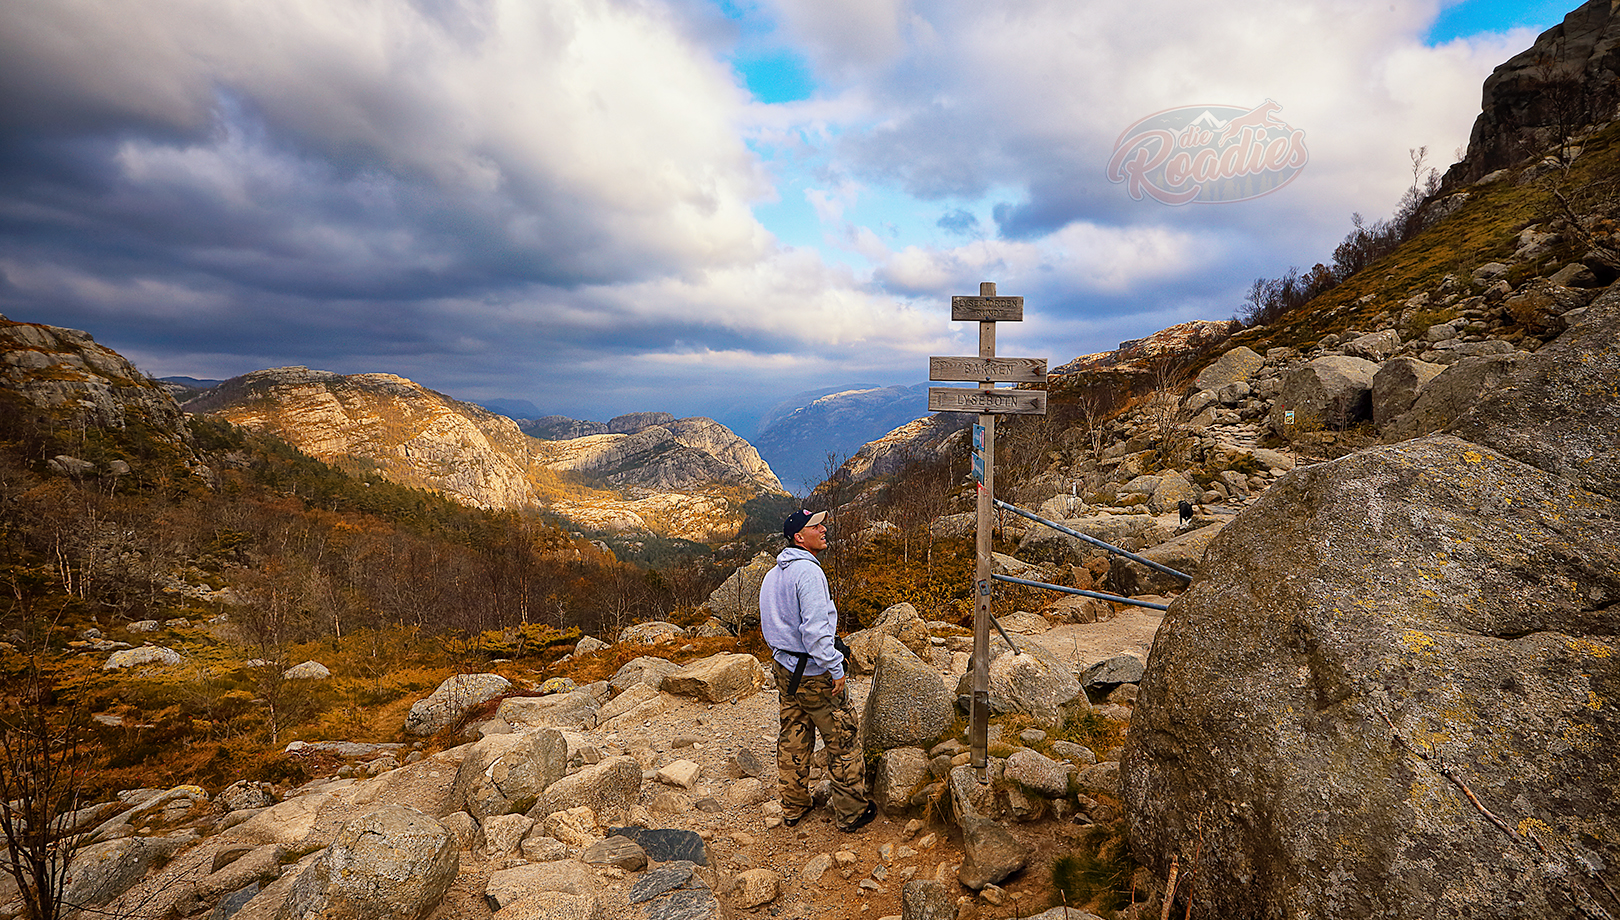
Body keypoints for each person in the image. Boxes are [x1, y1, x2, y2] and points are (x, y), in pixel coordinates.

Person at [758, 508, 877, 832]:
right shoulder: (808, 574)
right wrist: (834, 667)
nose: (823, 529)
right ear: (799, 537)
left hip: (785, 667)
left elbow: (770, 624)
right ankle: (852, 812)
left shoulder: (773, 575)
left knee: (794, 736)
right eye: (816, 526)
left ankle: (794, 806)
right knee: (843, 738)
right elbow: (815, 632)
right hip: (814, 671)